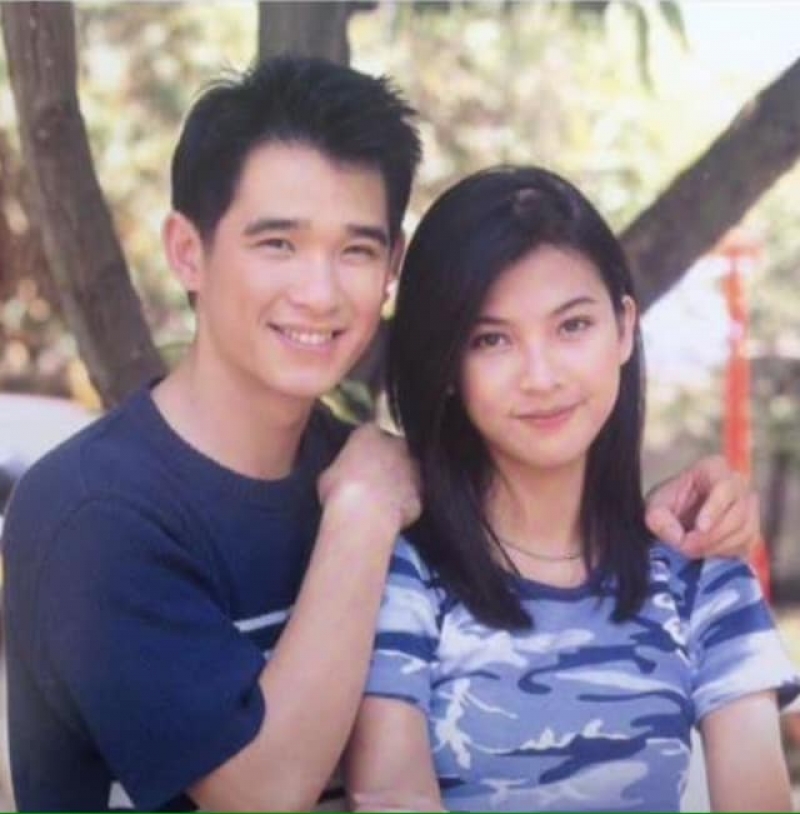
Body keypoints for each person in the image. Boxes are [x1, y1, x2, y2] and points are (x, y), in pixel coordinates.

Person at [0, 57, 761, 812]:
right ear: (187, 252)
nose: (320, 292)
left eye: (356, 251)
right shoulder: (95, 514)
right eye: (278, 244)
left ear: (392, 265)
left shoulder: (378, 472)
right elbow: (260, 794)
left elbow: (542, 516)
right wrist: (360, 513)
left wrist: (687, 510)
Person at [344, 166, 799, 812]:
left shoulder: (699, 572)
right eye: (491, 339)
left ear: (624, 327)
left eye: (572, 326)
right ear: (446, 367)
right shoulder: (403, 577)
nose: (541, 376)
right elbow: (390, 796)